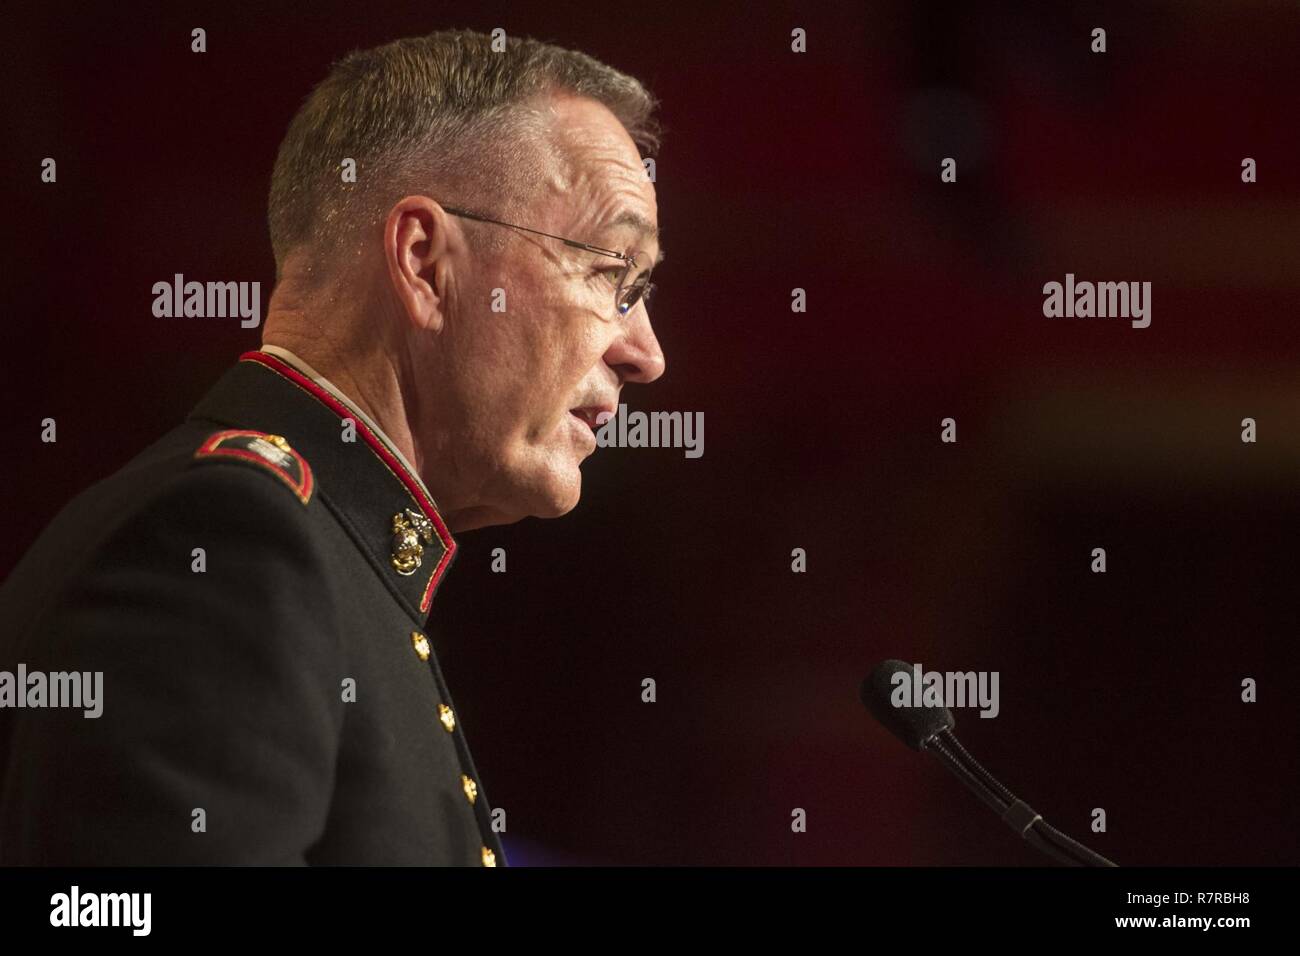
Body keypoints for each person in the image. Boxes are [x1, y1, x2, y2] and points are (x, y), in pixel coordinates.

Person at [0, 28, 666, 865]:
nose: (646, 351)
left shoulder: (333, 557)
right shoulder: (228, 545)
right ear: (424, 263)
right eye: (614, 272)